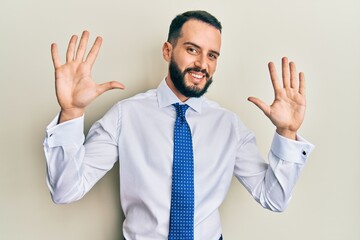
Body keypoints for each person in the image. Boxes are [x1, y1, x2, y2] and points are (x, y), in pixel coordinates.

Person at [44, 10, 314, 240]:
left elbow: (274, 198)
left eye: (212, 55)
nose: (202, 64)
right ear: (167, 50)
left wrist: (287, 133)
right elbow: (65, 190)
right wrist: (72, 112)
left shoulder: (229, 125)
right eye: (192, 49)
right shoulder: (125, 115)